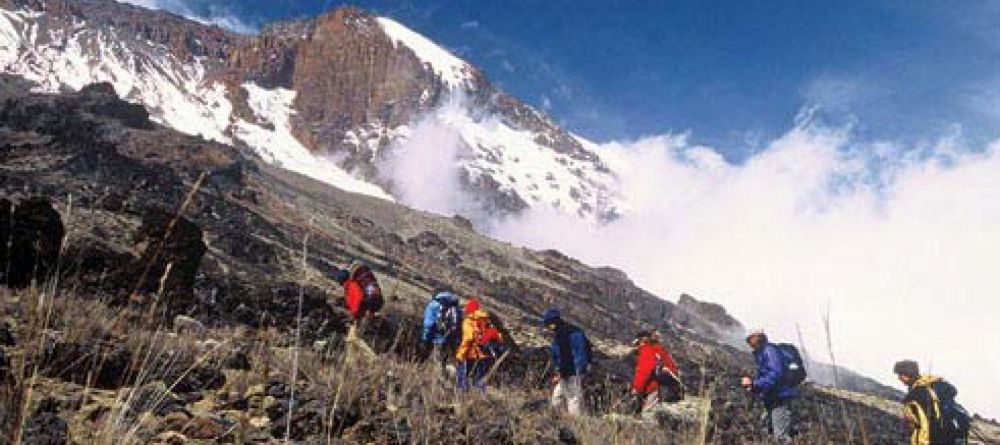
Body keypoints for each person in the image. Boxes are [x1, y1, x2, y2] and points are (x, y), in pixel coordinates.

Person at [741, 329, 799, 442]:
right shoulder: (762, 352)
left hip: (780, 397)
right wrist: (754, 387)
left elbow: (775, 374)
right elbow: (767, 376)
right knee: (765, 428)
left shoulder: (769, 350)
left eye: (750, 338)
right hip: (773, 397)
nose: (749, 342)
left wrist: (753, 383)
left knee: (780, 437)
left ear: (757, 337)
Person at [894, 360, 970, 445]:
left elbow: (924, 424)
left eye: (901, 374)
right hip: (949, 435)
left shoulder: (916, 395)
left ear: (909, 374)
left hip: (933, 439)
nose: (899, 378)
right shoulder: (935, 384)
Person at [544, 308, 590, 415]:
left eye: (548, 325)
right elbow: (557, 355)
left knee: (573, 398)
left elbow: (579, 354)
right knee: (558, 396)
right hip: (565, 372)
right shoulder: (560, 335)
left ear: (553, 323)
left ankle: (574, 423)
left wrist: (579, 370)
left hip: (572, 372)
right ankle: (556, 418)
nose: (548, 328)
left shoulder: (571, 334)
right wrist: (558, 372)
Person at [630, 330, 682, 419]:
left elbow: (644, 372)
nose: (634, 347)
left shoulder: (646, 351)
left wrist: (636, 389)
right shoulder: (658, 350)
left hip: (656, 389)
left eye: (636, 343)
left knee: (648, 419)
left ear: (641, 341)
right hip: (669, 390)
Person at [421, 290, 462, 381]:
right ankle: (455, 381)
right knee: (449, 361)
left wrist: (425, 339)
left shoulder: (433, 305)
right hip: (452, 340)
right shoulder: (455, 307)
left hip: (438, 338)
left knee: (438, 362)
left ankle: (441, 382)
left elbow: (429, 325)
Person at [455, 298, 491, 391]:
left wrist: (461, 353)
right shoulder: (485, 320)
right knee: (479, 378)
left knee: (464, 375)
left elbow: (468, 338)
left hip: (471, 353)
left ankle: (463, 394)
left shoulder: (468, 321)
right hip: (484, 352)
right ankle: (481, 399)